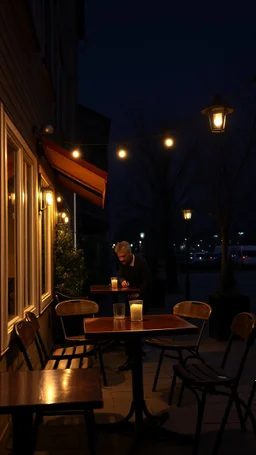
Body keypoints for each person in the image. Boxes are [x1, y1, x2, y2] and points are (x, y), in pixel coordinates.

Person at [114, 241, 152, 371]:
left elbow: (147, 280)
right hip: (129, 298)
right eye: (119, 257)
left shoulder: (141, 262)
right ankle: (132, 355)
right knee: (127, 326)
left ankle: (135, 355)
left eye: (123, 256)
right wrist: (122, 280)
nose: (121, 259)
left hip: (142, 298)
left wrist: (138, 293)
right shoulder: (123, 263)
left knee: (136, 327)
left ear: (130, 254)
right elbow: (120, 275)